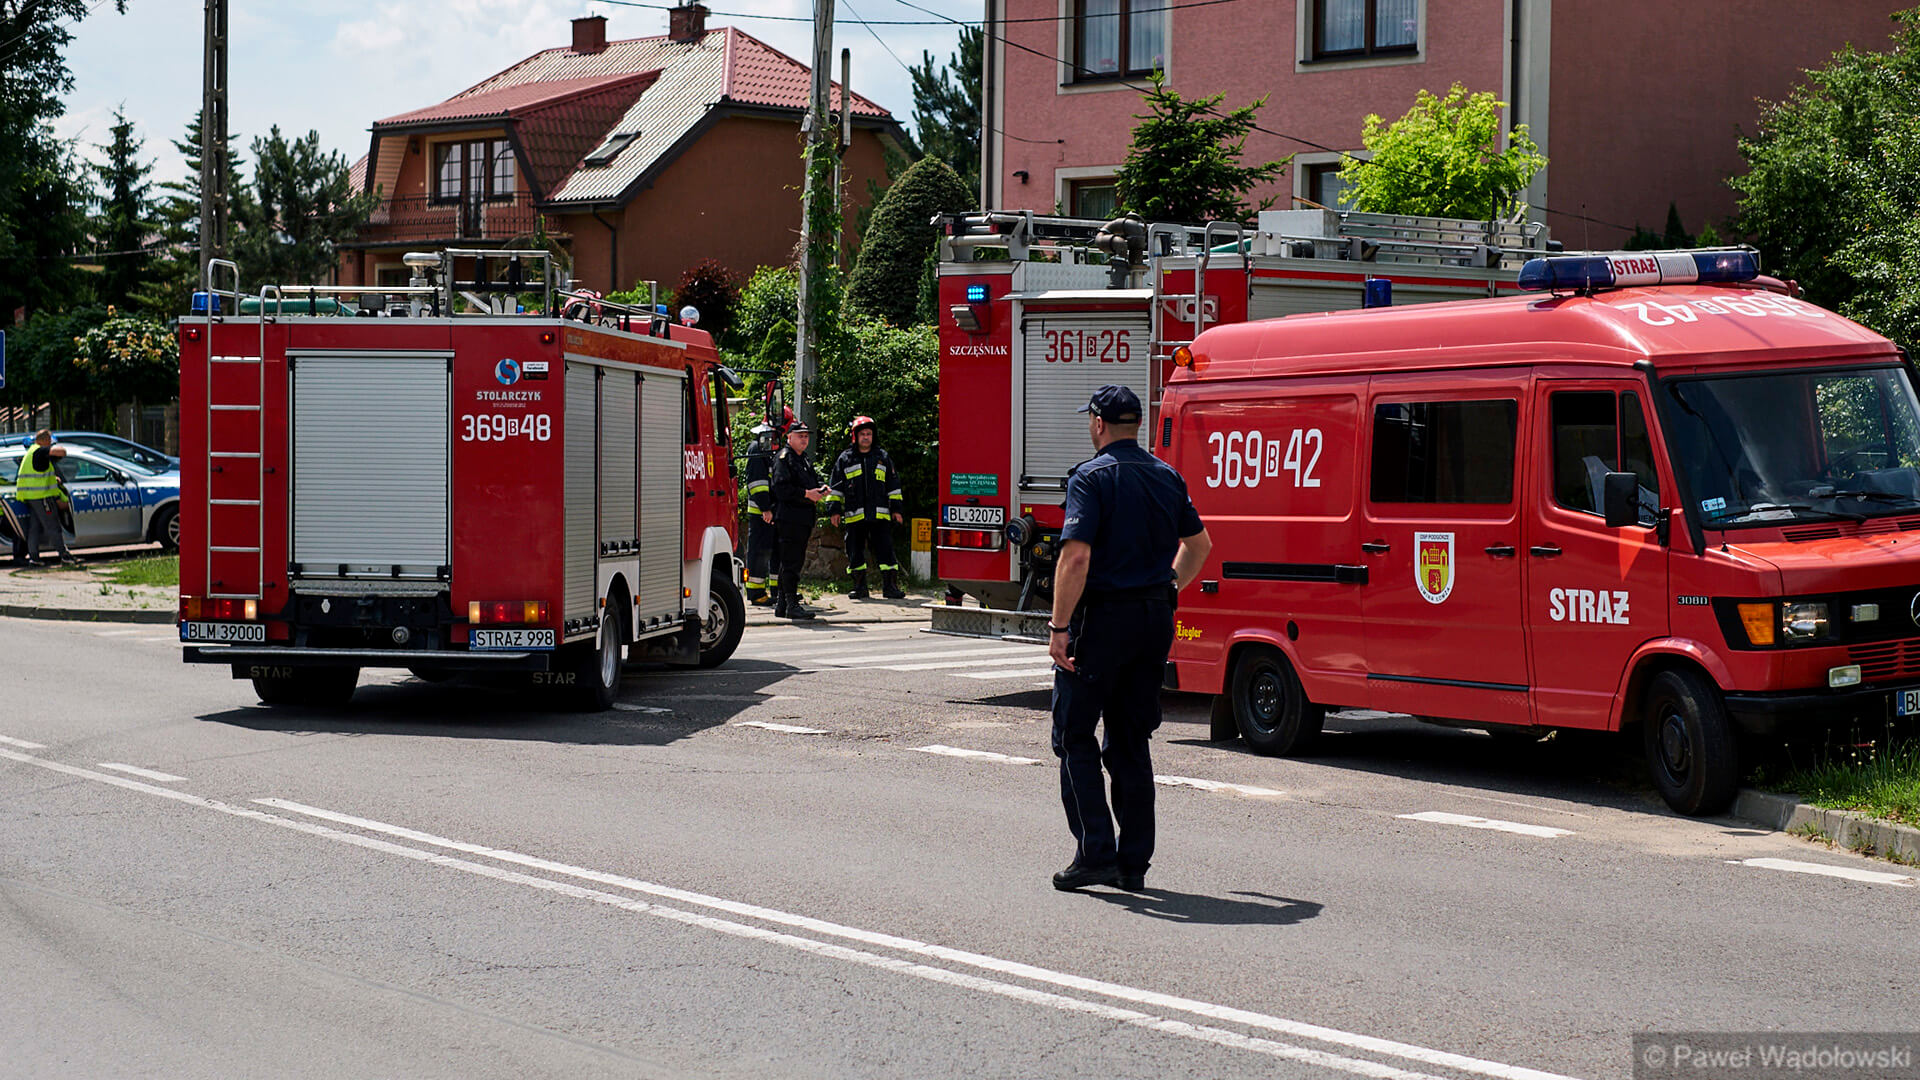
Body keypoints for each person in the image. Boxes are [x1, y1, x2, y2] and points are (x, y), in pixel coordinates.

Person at [1046, 385, 1211, 893]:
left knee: (1074, 735)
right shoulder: (1167, 476)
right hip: (1153, 621)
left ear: (1098, 423)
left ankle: (1096, 853)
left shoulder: (1091, 478)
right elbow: (1200, 546)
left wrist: (1058, 629)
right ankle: (1133, 863)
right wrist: (1165, 588)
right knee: (1130, 740)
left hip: (1104, 624)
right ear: (1136, 424)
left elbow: (1076, 559)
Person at [825, 415, 907, 600]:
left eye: (869, 434)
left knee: (886, 551)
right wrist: (834, 510)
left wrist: (897, 510)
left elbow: (893, 486)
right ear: (855, 436)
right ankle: (859, 587)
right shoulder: (845, 458)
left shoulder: (882, 457)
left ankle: (890, 587)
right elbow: (836, 487)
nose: (866, 437)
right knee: (854, 551)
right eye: (862, 434)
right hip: (855, 517)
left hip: (880, 517)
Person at [770, 420, 830, 620]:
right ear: (789, 437)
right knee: (791, 562)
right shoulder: (784, 458)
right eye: (800, 436)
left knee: (791, 561)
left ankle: (782, 604)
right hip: (790, 518)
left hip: (802, 518)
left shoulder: (803, 458)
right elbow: (781, 489)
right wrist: (806, 494)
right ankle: (791, 604)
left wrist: (820, 489)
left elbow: (811, 481)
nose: (804, 439)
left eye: (806, 436)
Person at [14, 431, 72, 567]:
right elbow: (62, 452)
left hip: (31, 497)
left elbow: (38, 472)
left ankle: (34, 558)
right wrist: (54, 447)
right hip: (41, 497)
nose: (51, 444)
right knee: (53, 526)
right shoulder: (40, 451)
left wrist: (54, 479)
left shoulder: (31, 452)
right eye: (50, 441)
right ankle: (64, 556)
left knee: (34, 527)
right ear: (45, 440)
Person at [742, 421, 780, 606]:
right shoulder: (758, 448)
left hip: (770, 511)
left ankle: (777, 591)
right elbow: (757, 483)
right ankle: (756, 593)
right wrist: (765, 508)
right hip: (761, 513)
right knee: (759, 553)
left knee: (773, 552)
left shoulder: (769, 448)